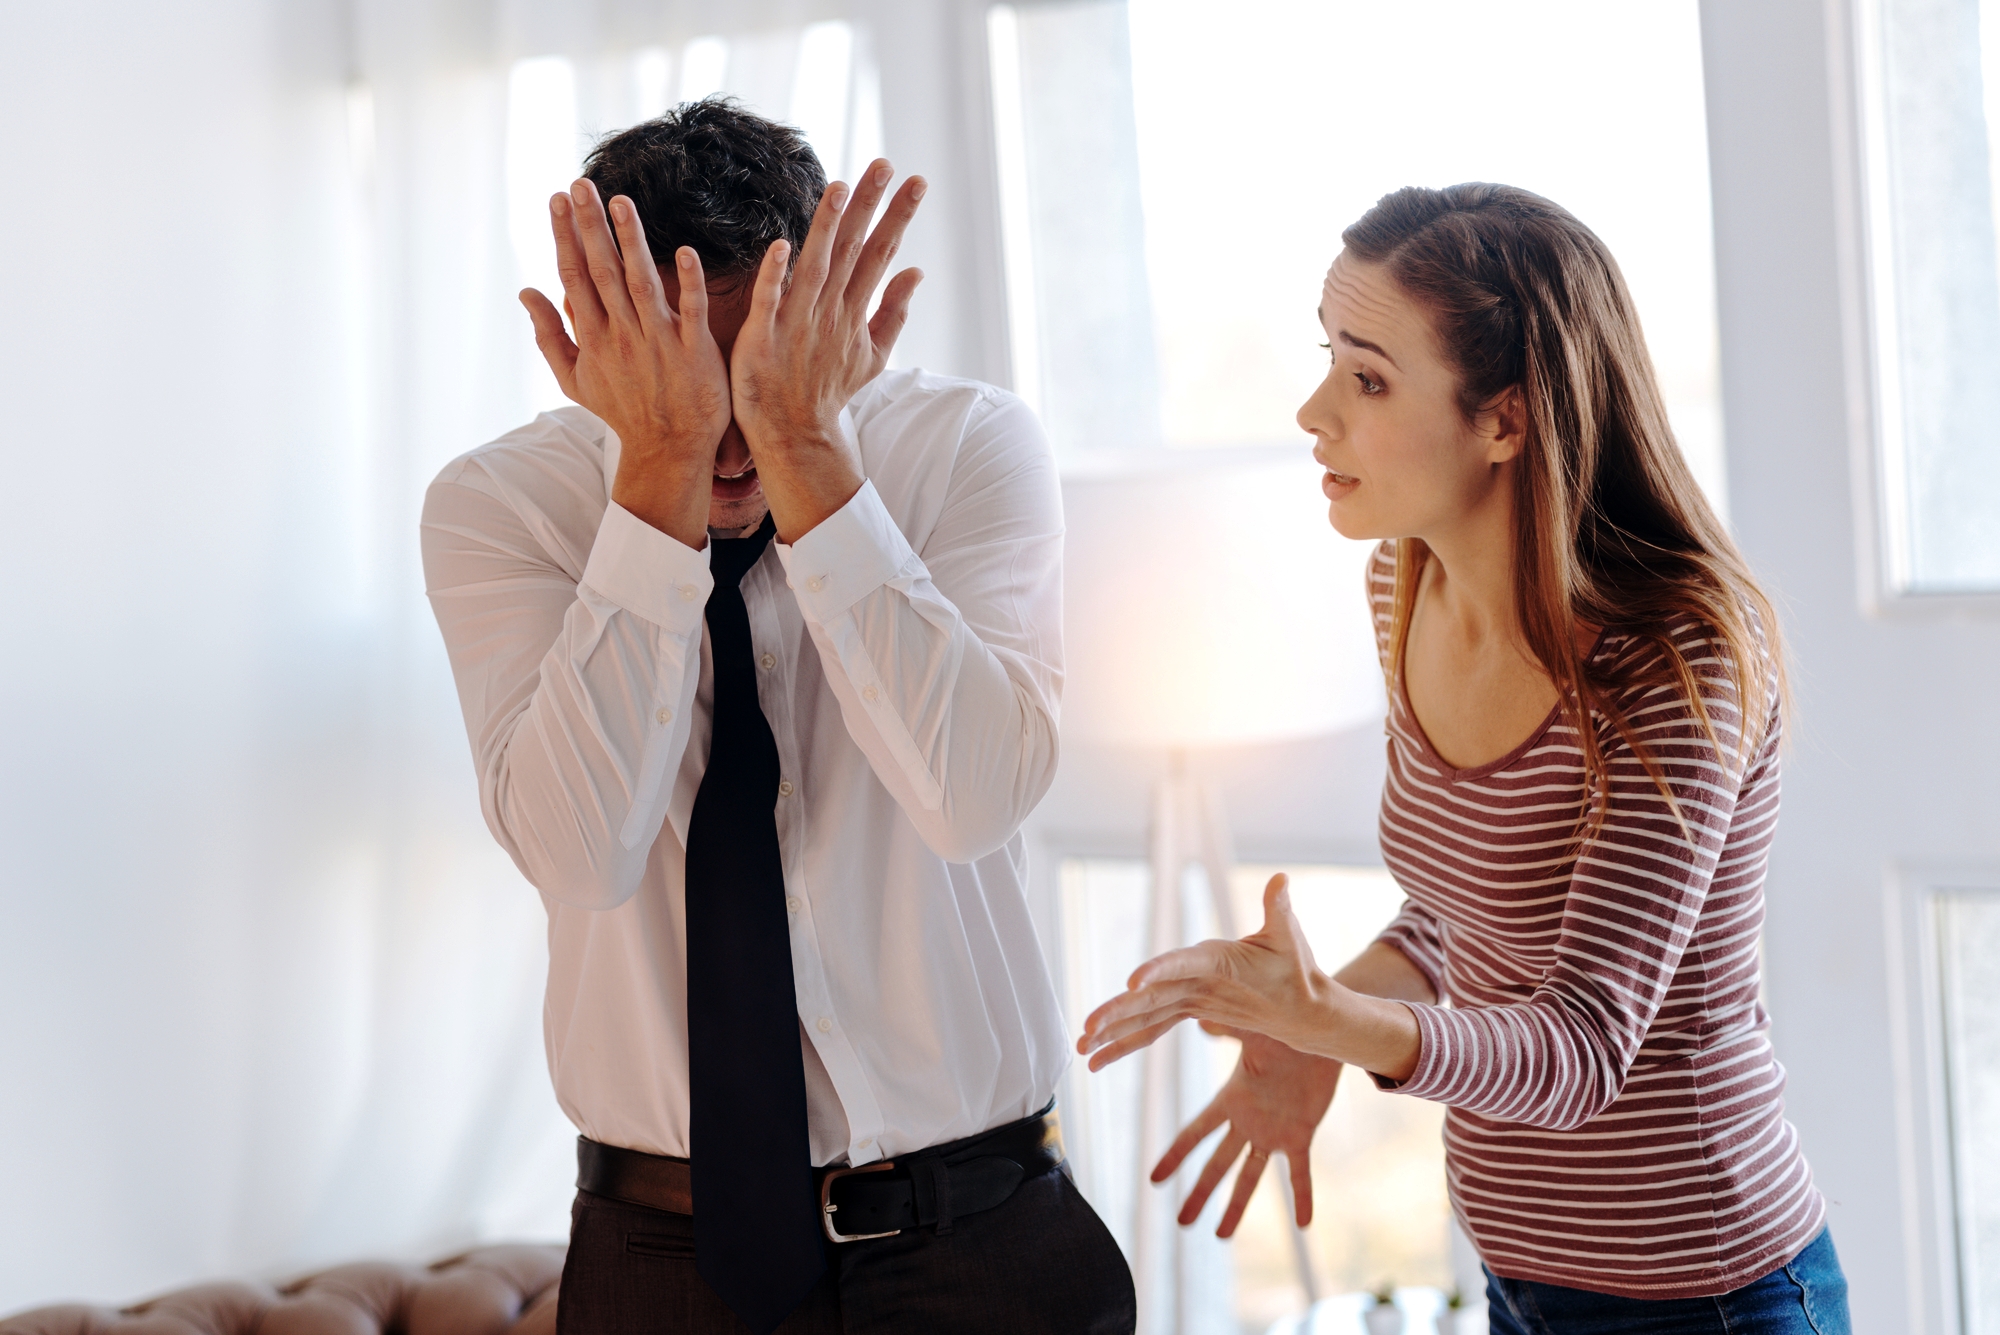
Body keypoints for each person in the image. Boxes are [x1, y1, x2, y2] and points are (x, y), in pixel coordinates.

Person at [1077, 184, 1852, 1335]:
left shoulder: (1676, 656)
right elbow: (1459, 918)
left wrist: (1336, 1029)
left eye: (1367, 377)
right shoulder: (1405, 581)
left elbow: (1582, 1047)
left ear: (1504, 418)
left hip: (1704, 1294)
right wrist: (1314, 1022)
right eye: (1325, 359)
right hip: (1517, 1280)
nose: (1311, 409)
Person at [422, 98, 1133, 1335]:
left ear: (834, 322)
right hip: (661, 1260)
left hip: (982, 1238)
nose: (727, 436)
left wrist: (813, 451)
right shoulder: (498, 507)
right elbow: (581, 854)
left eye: (764, 371)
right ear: (595, 337)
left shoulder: (967, 448)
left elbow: (970, 800)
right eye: (685, 374)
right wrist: (654, 475)